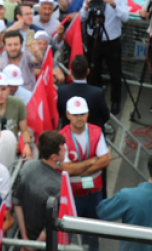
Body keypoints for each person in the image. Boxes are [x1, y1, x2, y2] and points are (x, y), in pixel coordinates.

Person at [60, 96, 110, 224]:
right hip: (73, 192)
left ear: (87, 114)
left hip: (94, 190)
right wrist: (91, 161)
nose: (79, 118)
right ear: (68, 115)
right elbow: (67, 169)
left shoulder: (97, 131)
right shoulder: (61, 137)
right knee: (71, 227)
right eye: (75, 114)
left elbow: (104, 161)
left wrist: (77, 168)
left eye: (82, 114)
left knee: (94, 226)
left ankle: (92, 244)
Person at [13, 131, 67, 241]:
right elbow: (51, 223)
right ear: (54, 157)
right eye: (62, 148)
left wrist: (24, 238)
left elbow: (17, 203)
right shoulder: (59, 184)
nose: (65, 150)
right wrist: (34, 247)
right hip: (44, 244)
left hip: (23, 239)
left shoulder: (27, 166)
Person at [57, 54, 110, 129]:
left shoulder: (62, 91)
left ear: (70, 72)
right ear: (88, 71)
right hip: (93, 135)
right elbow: (105, 116)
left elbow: (61, 113)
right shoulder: (98, 93)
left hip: (69, 135)